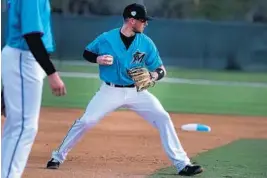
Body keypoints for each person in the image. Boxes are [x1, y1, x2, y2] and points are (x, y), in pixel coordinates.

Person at [46, 3, 203, 176]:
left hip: (137, 91)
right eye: (143, 20)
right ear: (131, 20)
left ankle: (183, 164)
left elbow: (161, 69)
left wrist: (153, 76)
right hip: (110, 91)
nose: (146, 24)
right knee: (86, 121)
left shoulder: (146, 42)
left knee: (163, 117)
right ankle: (57, 156)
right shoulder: (106, 38)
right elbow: (87, 52)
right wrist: (97, 58)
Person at [1, 0, 66, 177]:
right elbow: (31, 36)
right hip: (25, 58)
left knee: (16, 126)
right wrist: (52, 73)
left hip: (20, 58)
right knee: (24, 127)